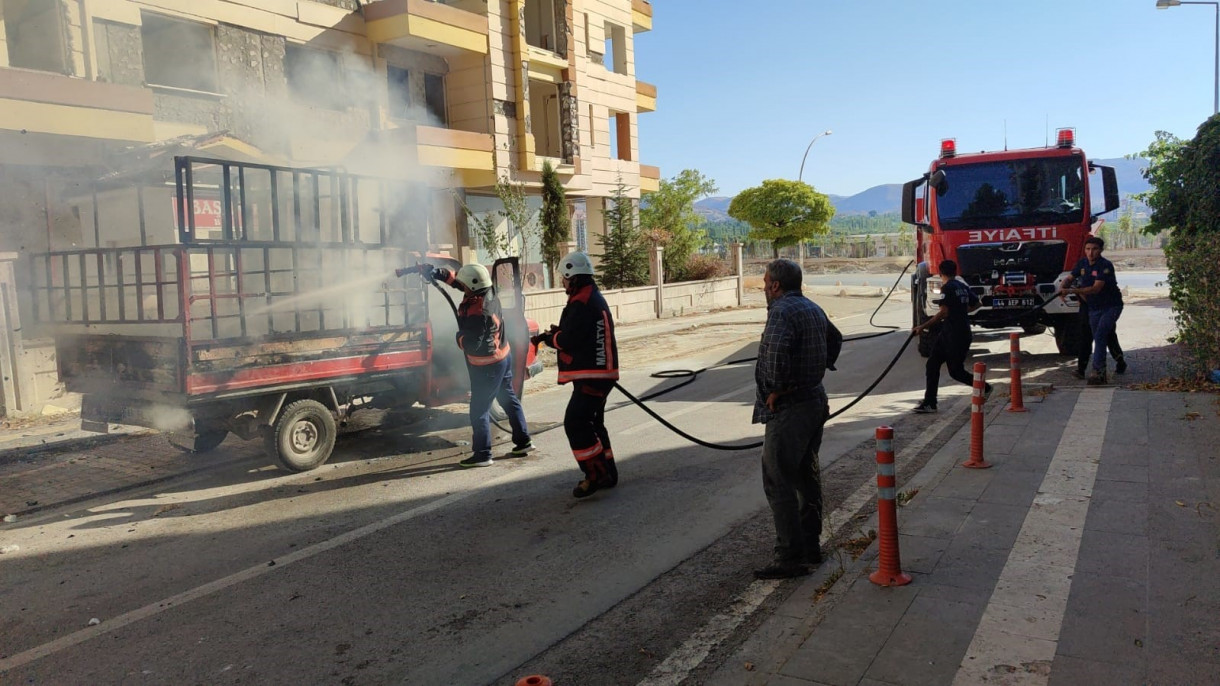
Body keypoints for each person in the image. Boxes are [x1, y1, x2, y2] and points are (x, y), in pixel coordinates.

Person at [752, 258, 831, 580]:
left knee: (778, 480)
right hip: (814, 399)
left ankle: (788, 556)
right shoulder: (811, 306)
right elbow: (835, 340)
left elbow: (774, 355)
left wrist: (776, 390)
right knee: (805, 476)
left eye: (765, 282)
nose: (763, 288)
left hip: (792, 407)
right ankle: (811, 546)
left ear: (775, 285)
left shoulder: (782, 311)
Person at [421, 263, 533, 467]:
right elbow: (461, 283)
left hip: (488, 365)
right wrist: (441, 274)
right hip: (502, 358)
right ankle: (523, 441)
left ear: (473, 286)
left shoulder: (479, 311)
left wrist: (459, 338)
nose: (462, 287)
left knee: (479, 409)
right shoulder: (486, 292)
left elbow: (473, 344)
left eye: (465, 285)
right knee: (508, 399)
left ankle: (483, 454)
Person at [534, 251, 620, 498]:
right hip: (600, 373)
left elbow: (570, 339)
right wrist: (560, 332)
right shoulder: (589, 297)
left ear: (573, 276)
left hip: (593, 374)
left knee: (576, 422)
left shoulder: (582, 302)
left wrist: (551, 338)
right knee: (594, 423)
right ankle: (608, 472)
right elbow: (580, 332)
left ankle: (595, 475)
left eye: (564, 277)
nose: (563, 281)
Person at [911, 259, 990, 413]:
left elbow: (944, 312)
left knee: (955, 371)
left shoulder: (947, 288)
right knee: (932, 364)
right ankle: (930, 402)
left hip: (954, 335)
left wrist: (922, 327)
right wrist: (961, 311)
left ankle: (985, 387)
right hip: (954, 333)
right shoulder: (962, 286)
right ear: (955, 272)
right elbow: (978, 303)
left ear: (940, 273)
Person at [1060, 236, 1124, 385]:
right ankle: (1090, 369)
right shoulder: (1082, 263)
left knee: (1102, 335)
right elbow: (1070, 277)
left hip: (1110, 306)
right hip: (1092, 307)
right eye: (1088, 249)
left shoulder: (1105, 266)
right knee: (1095, 336)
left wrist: (1071, 291)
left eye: (1094, 249)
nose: (1090, 253)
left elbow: (1096, 289)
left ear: (1101, 250)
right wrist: (1063, 287)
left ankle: (1098, 371)